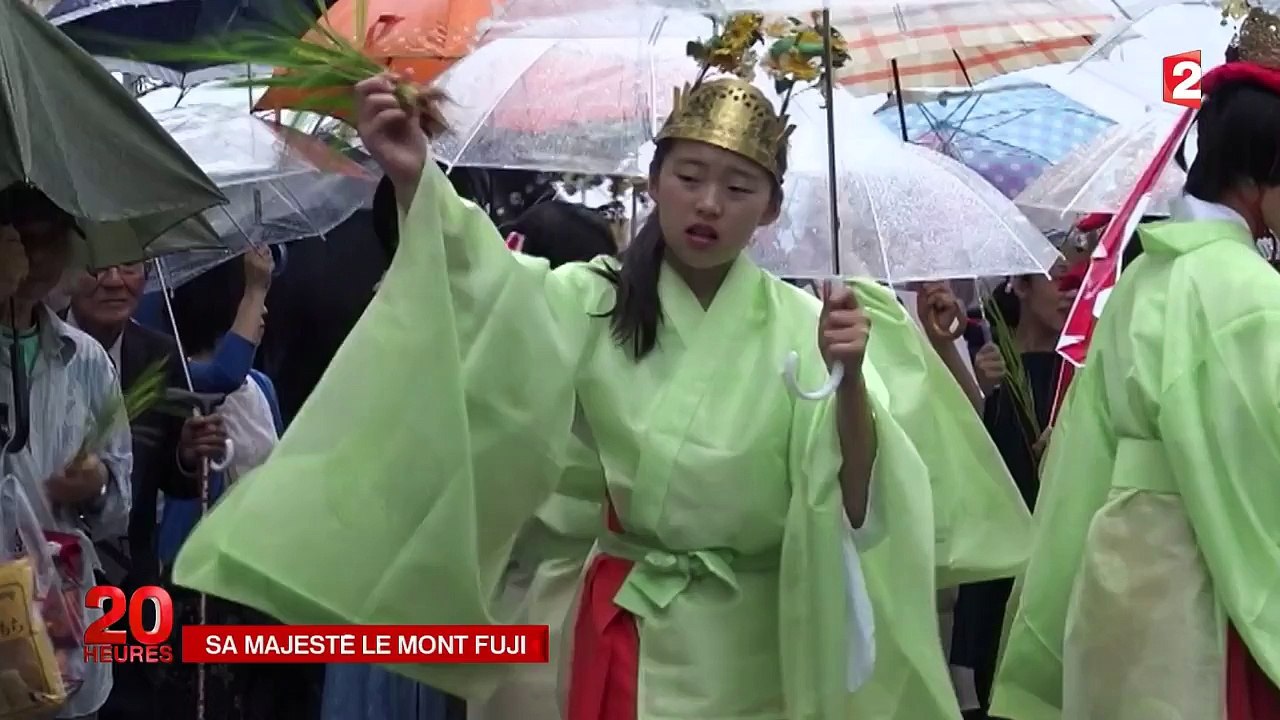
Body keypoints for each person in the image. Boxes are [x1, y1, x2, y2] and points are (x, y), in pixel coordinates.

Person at [173, 60, 1029, 719]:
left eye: (737, 189)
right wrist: (414, 179)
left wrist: (847, 383)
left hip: (759, 632)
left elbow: (855, 500)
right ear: (653, 182)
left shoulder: (811, 324)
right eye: (689, 177)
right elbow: (487, 292)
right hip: (623, 622)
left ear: (770, 211)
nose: (708, 204)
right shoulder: (592, 301)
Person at [992, 11, 1280, 718]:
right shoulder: (1250, 295)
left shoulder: (1141, 284)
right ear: (1257, 175)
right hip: (1210, 592)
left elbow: (1080, 463)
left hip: (1114, 583)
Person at [65, 260, 229, 720]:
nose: (115, 281)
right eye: (96, 267)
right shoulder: (41, 349)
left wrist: (188, 453)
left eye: (131, 265)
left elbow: (173, 481)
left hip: (132, 581)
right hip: (50, 579)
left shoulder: (159, 354)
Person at [0, 186, 132, 720]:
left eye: (50, 239)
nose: (35, 257)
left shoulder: (87, 361)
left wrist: (97, 484)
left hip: (68, 623)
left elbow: (120, 502)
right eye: (20, 240)